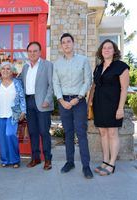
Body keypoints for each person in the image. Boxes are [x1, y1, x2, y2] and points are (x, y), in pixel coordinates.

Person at [53, 33, 93, 179]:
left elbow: (88, 80)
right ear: (61, 46)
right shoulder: (57, 64)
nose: (66, 44)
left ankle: (86, 166)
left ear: (73, 43)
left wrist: (78, 98)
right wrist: (61, 100)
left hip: (79, 102)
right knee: (68, 133)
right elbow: (56, 83)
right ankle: (70, 162)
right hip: (64, 103)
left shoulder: (83, 60)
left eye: (68, 41)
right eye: (63, 42)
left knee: (81, 134)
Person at [88, 39, 129, 176]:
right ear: (101, 51)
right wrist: (89, 103)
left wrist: (120, 108)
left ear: (114, 51)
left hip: (113, 105)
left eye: (109, 48)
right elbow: (94, 86)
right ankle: (105, 161)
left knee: (112, 133)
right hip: (99, 105)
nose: (106, 50)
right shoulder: (98, 67)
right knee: (103, 133)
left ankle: (112, 163)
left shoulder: (121, 66)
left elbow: (124, 89)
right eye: (104, 48)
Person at [19, 41, 54, 170]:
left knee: (44, 132)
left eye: (35, 51)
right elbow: (19, 82)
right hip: (29, 102)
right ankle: (36, 158)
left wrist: (48, 100)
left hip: (42, 103)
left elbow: (52, 84)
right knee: (33, 132)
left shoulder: (47, 65)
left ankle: (48, 159)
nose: (32, 53)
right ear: (27, 53)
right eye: (30, 51)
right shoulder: (25, 67)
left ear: (40, 52)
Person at [0, 62, 26, 168]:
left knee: (10, 134)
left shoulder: (17, 83)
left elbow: (22, 98)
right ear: (0, 71)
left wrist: (23, 111)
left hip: (13, 115)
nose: (5, 71)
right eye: (3, 69)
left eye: (8, 69)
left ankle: (15, 159)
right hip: (0, 115)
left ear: (12, 71)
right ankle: (4, 159)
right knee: (2, 138)